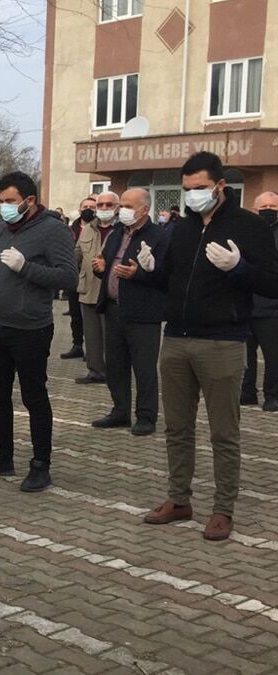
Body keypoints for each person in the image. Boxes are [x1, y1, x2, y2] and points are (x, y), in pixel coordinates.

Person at [142, 152, 278, 540]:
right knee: (178, 428)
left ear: (220, 186)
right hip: (177, 339)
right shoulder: (181, 229)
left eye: (199, 188)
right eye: (187, 190)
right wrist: (150, 272)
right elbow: (170, 278)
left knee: (223, 432)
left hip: (223, 340)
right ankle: (179, 499)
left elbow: (271, 282)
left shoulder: (249, 227)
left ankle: (223, 509)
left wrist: (239, 269)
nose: (193, 196)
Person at [0, 171, 77, 492]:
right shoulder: (2, 228)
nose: (4, 207)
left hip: (29, 328)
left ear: (29, 201)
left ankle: (41, 464)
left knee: (34, 396)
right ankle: (1, 456)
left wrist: (27, 267)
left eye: (10, 201)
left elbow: (68, 278)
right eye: (2, 202)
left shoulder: (53, 230)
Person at [90, 188, 168, 436]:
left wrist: (140, 274)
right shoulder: (116, 234)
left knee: (144, 368)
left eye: (127, 205)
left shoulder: (159, 236)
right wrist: (100, 268)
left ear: (144, 209)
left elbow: (167, 276)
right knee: (115, 365)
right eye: (120, 205)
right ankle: (120, 411)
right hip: (113, 310)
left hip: (143, 314)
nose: (121, 210)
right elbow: (106, 264)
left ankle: (146, 416)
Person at [75, 192, 118, 383]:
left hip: (111, 291)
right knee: (91, 335)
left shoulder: (122, 230)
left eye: (109, 205)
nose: (104, 209)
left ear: (117, 207)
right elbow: (77, 254)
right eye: (101, 205)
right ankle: (95, 371)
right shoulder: (88, 229)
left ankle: (114, 372)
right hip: (89, 288)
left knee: (111, 335)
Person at [243, 191, 278, 410]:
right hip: (246, 305)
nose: (267, 211)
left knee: (273, 357)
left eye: (273, 208)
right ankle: (247, 393)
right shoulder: (247, 232)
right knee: (245, 356)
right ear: (254, 210)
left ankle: (272, 395)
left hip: (272, 308)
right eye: (263, 207)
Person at [60, 198, 94, 360]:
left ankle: (93, 348)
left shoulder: (98, 228)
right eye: (85, 206)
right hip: (74, 277)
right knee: (75, 314)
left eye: (91, 207)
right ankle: (77, 344)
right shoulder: (70, 229)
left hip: (93, 279)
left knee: (91, 316)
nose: (88, 209)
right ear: (80, 209)